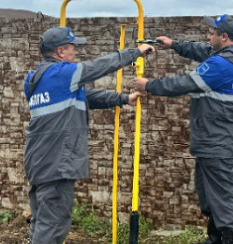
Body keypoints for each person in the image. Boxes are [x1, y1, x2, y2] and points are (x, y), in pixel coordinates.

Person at [24, 25, 155, 244]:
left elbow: (86, 96)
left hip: (39, 160)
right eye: (73, 48)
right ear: (60, 52)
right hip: (57, 162)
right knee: (53, 224)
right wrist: (136, 52)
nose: (76, 52)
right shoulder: (62, 73)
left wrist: (123, 99)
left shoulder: (36, 78)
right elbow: (98, 67)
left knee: (42, 221)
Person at [133, 15, 233, 244]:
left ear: (223, 37)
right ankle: (215, 238)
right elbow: (203, 50)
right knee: (209, 194)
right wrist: (173, 44)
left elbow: (184, 83)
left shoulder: (219, 66)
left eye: (212, 33)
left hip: (217, 137)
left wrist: (149, 85)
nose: (208, 37)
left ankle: (230, 239)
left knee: (222, 195)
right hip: (219, 134)